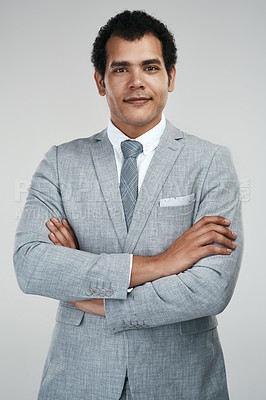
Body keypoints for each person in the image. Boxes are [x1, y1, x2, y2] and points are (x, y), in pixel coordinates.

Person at [13, 10, 243, 400]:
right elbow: (31, 264)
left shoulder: (210, 162)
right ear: (101, 82)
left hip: (181, 382)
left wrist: (86, 292)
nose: (136, 82)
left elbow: (211, 287)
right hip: (79, 379)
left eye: (150, 67)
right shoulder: (59, 162)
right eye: (121, 69)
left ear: (170, 76)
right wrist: (162, 263)